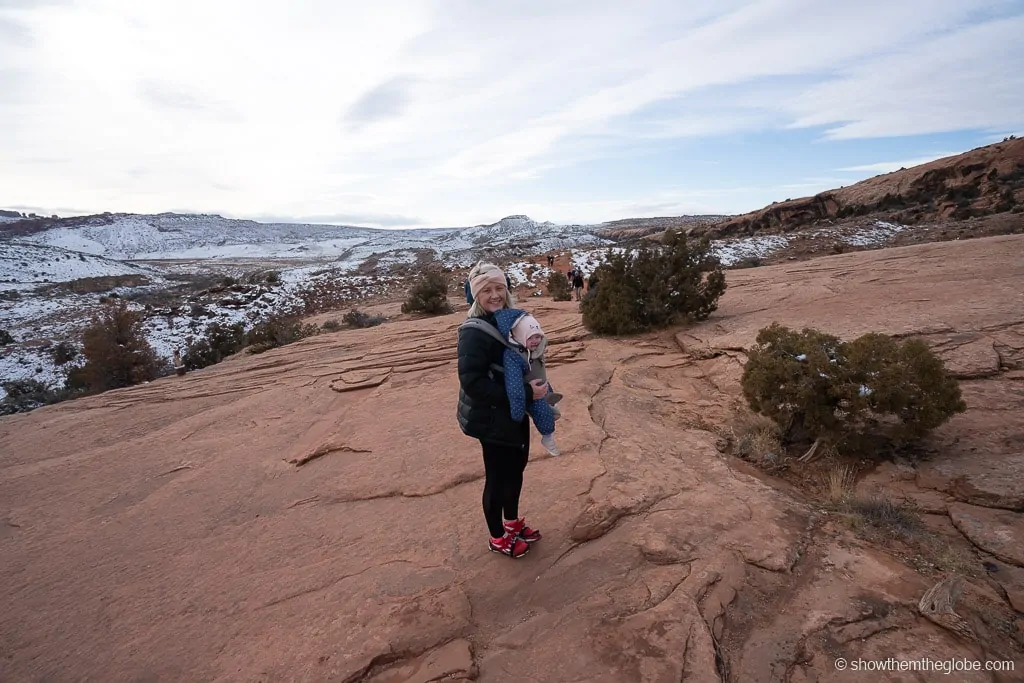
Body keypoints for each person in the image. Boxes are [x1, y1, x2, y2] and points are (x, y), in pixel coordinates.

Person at [457, 262, 545, 559]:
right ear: (474, 295)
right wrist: (522, 393)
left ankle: (512, 523)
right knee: (497, 478)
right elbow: (472, 383)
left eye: (499, 288)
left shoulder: (511, 321)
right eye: (486, 290)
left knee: (516, 469)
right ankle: (497, 537)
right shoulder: (473, 332)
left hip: (515, 412)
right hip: (491, 418)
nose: (494, 295)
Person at [493, 310, 562, 456]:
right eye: (531, 337)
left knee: (551, 406)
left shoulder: (535, 349)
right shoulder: (514, 355)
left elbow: (540, 371)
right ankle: (548, 438)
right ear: (519, 337)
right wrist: (516, 416)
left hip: (541, 384)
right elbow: (514, 385)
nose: (536, 341)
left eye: (538, 336)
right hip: (529, 392)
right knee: (543, 414)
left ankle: (551, 406)